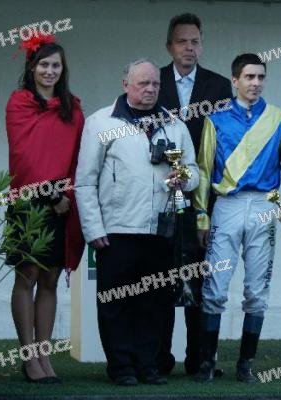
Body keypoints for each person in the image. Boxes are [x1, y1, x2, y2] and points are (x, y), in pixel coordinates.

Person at [74, 59, 199, 386]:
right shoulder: (100, 122)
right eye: (143, 83)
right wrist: (93, 228)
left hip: (161, 229)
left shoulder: (175, 124)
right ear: (125, 84)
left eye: (155, 84)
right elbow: (84, 182)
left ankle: (148, 366)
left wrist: (184, 178)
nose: (150, 89)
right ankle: (121, 367)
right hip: (116, 230)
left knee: (154, 302)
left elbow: (194, 171)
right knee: (115, 302)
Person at [194, 53, 281, 383]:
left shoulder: (277, 118)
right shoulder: (215, 119)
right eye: (249, 77)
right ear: (235, 80)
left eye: (260, 77)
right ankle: (207, 363)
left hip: (263, 207)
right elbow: (202, 169)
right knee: (215, 288)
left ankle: (245, 365)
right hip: (226, 206)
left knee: (257, 290)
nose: (255, 83)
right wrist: (201, 216)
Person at [5, 35, 85, 384]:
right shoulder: (20, 103)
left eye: (56, 65)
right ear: (32, 67)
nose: (49, 71)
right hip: (29, 200)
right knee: (28, 276)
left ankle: (43, 354)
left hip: (62, 202)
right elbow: (24, 156)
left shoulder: (72, 109)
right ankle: (28, 357)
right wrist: (50, 194)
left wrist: (64, 195)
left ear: (63, 69)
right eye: (44, 64)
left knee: (50, 279)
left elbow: (77, 157)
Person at [157, 12, 232, 376]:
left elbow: (226, 144)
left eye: (195, 41)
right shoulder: (152, 81)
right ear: (169, 46)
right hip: (160, 193)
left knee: (200, 276)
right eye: (182, 41)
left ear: (202, 45)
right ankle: (158, 359)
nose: (189, 47)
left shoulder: (219, 86)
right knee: (160, 275)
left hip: (205, 197)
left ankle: (199, 360)